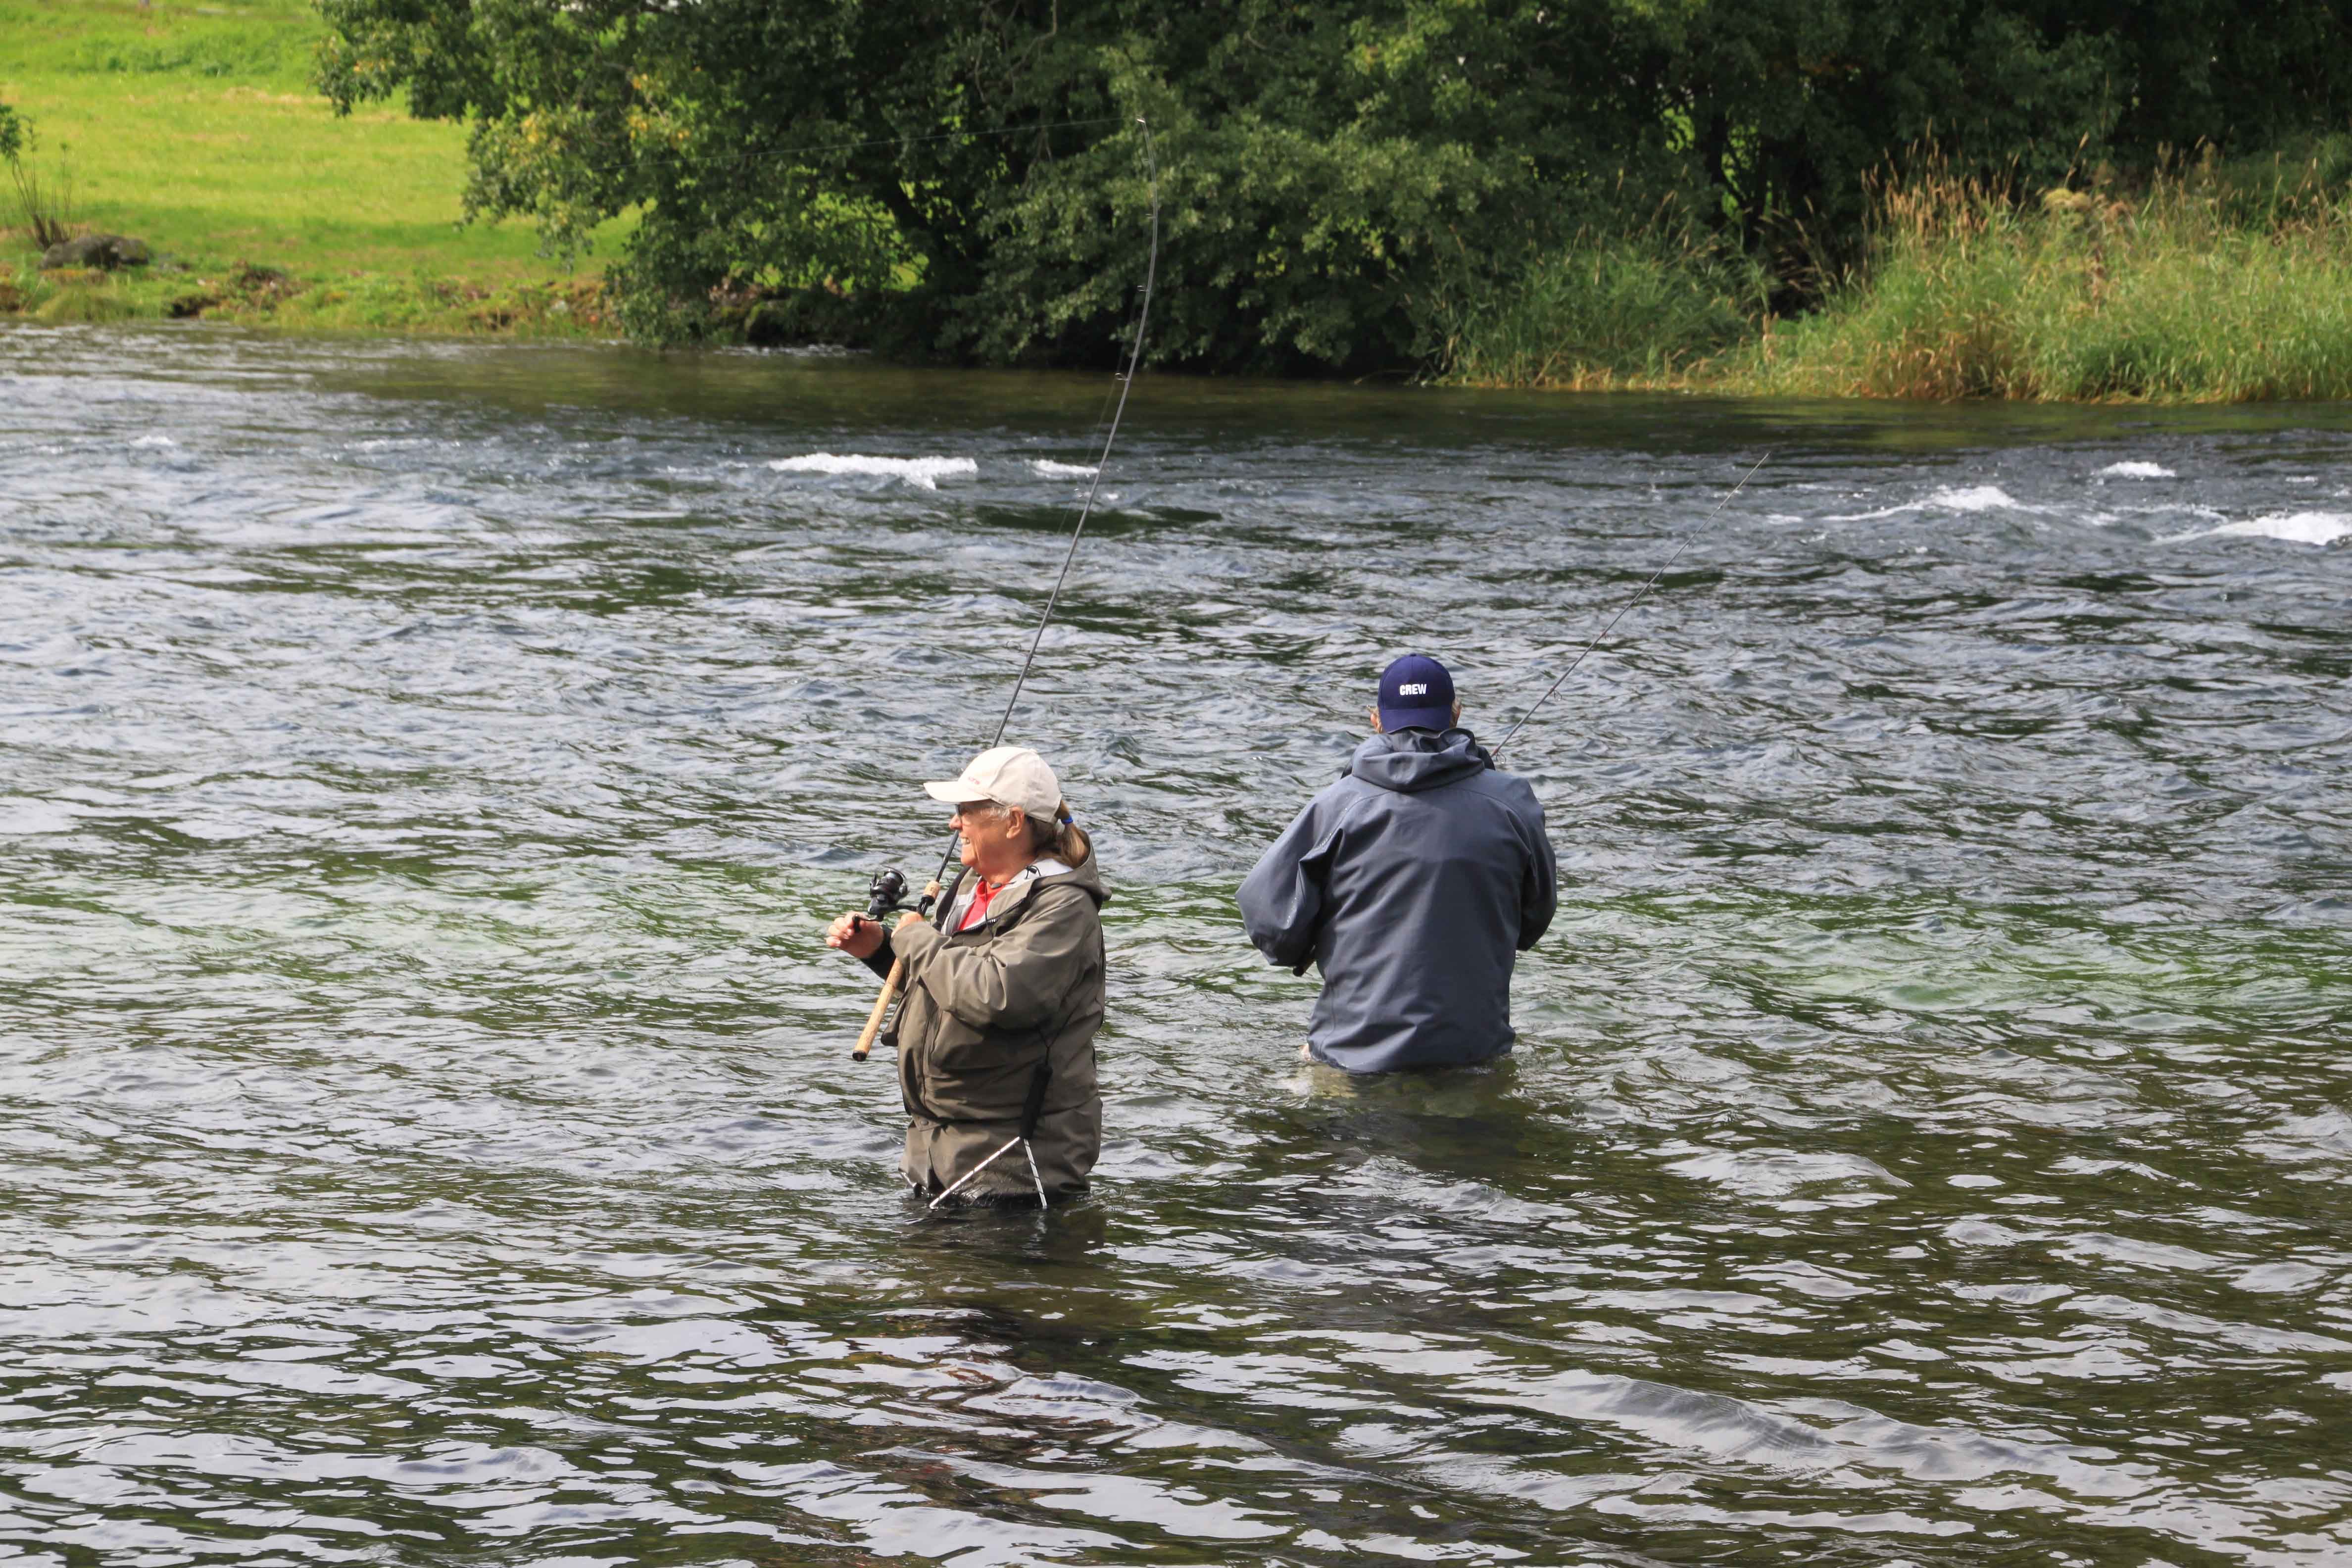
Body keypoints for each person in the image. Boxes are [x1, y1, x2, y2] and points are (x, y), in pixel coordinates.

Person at [1237, 654, 1557, 1073]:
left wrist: (1308, 942)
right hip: (1475, 1052)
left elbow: (1269, 921)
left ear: (1376, 720)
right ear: (1456, 714)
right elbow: (1535, 918)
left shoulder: (1336, 805)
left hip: (1352, 1057)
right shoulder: (1513, 802)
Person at [826, 745, 1107, 1204]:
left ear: (1013, 822)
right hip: (939, 1154)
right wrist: (880, 949)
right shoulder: (972, 885)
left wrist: (916, 940)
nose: (954, 824)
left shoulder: (1064, 906)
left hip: (1013, 1164)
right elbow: (947, 986)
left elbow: (996, 995)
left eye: (965, 812)